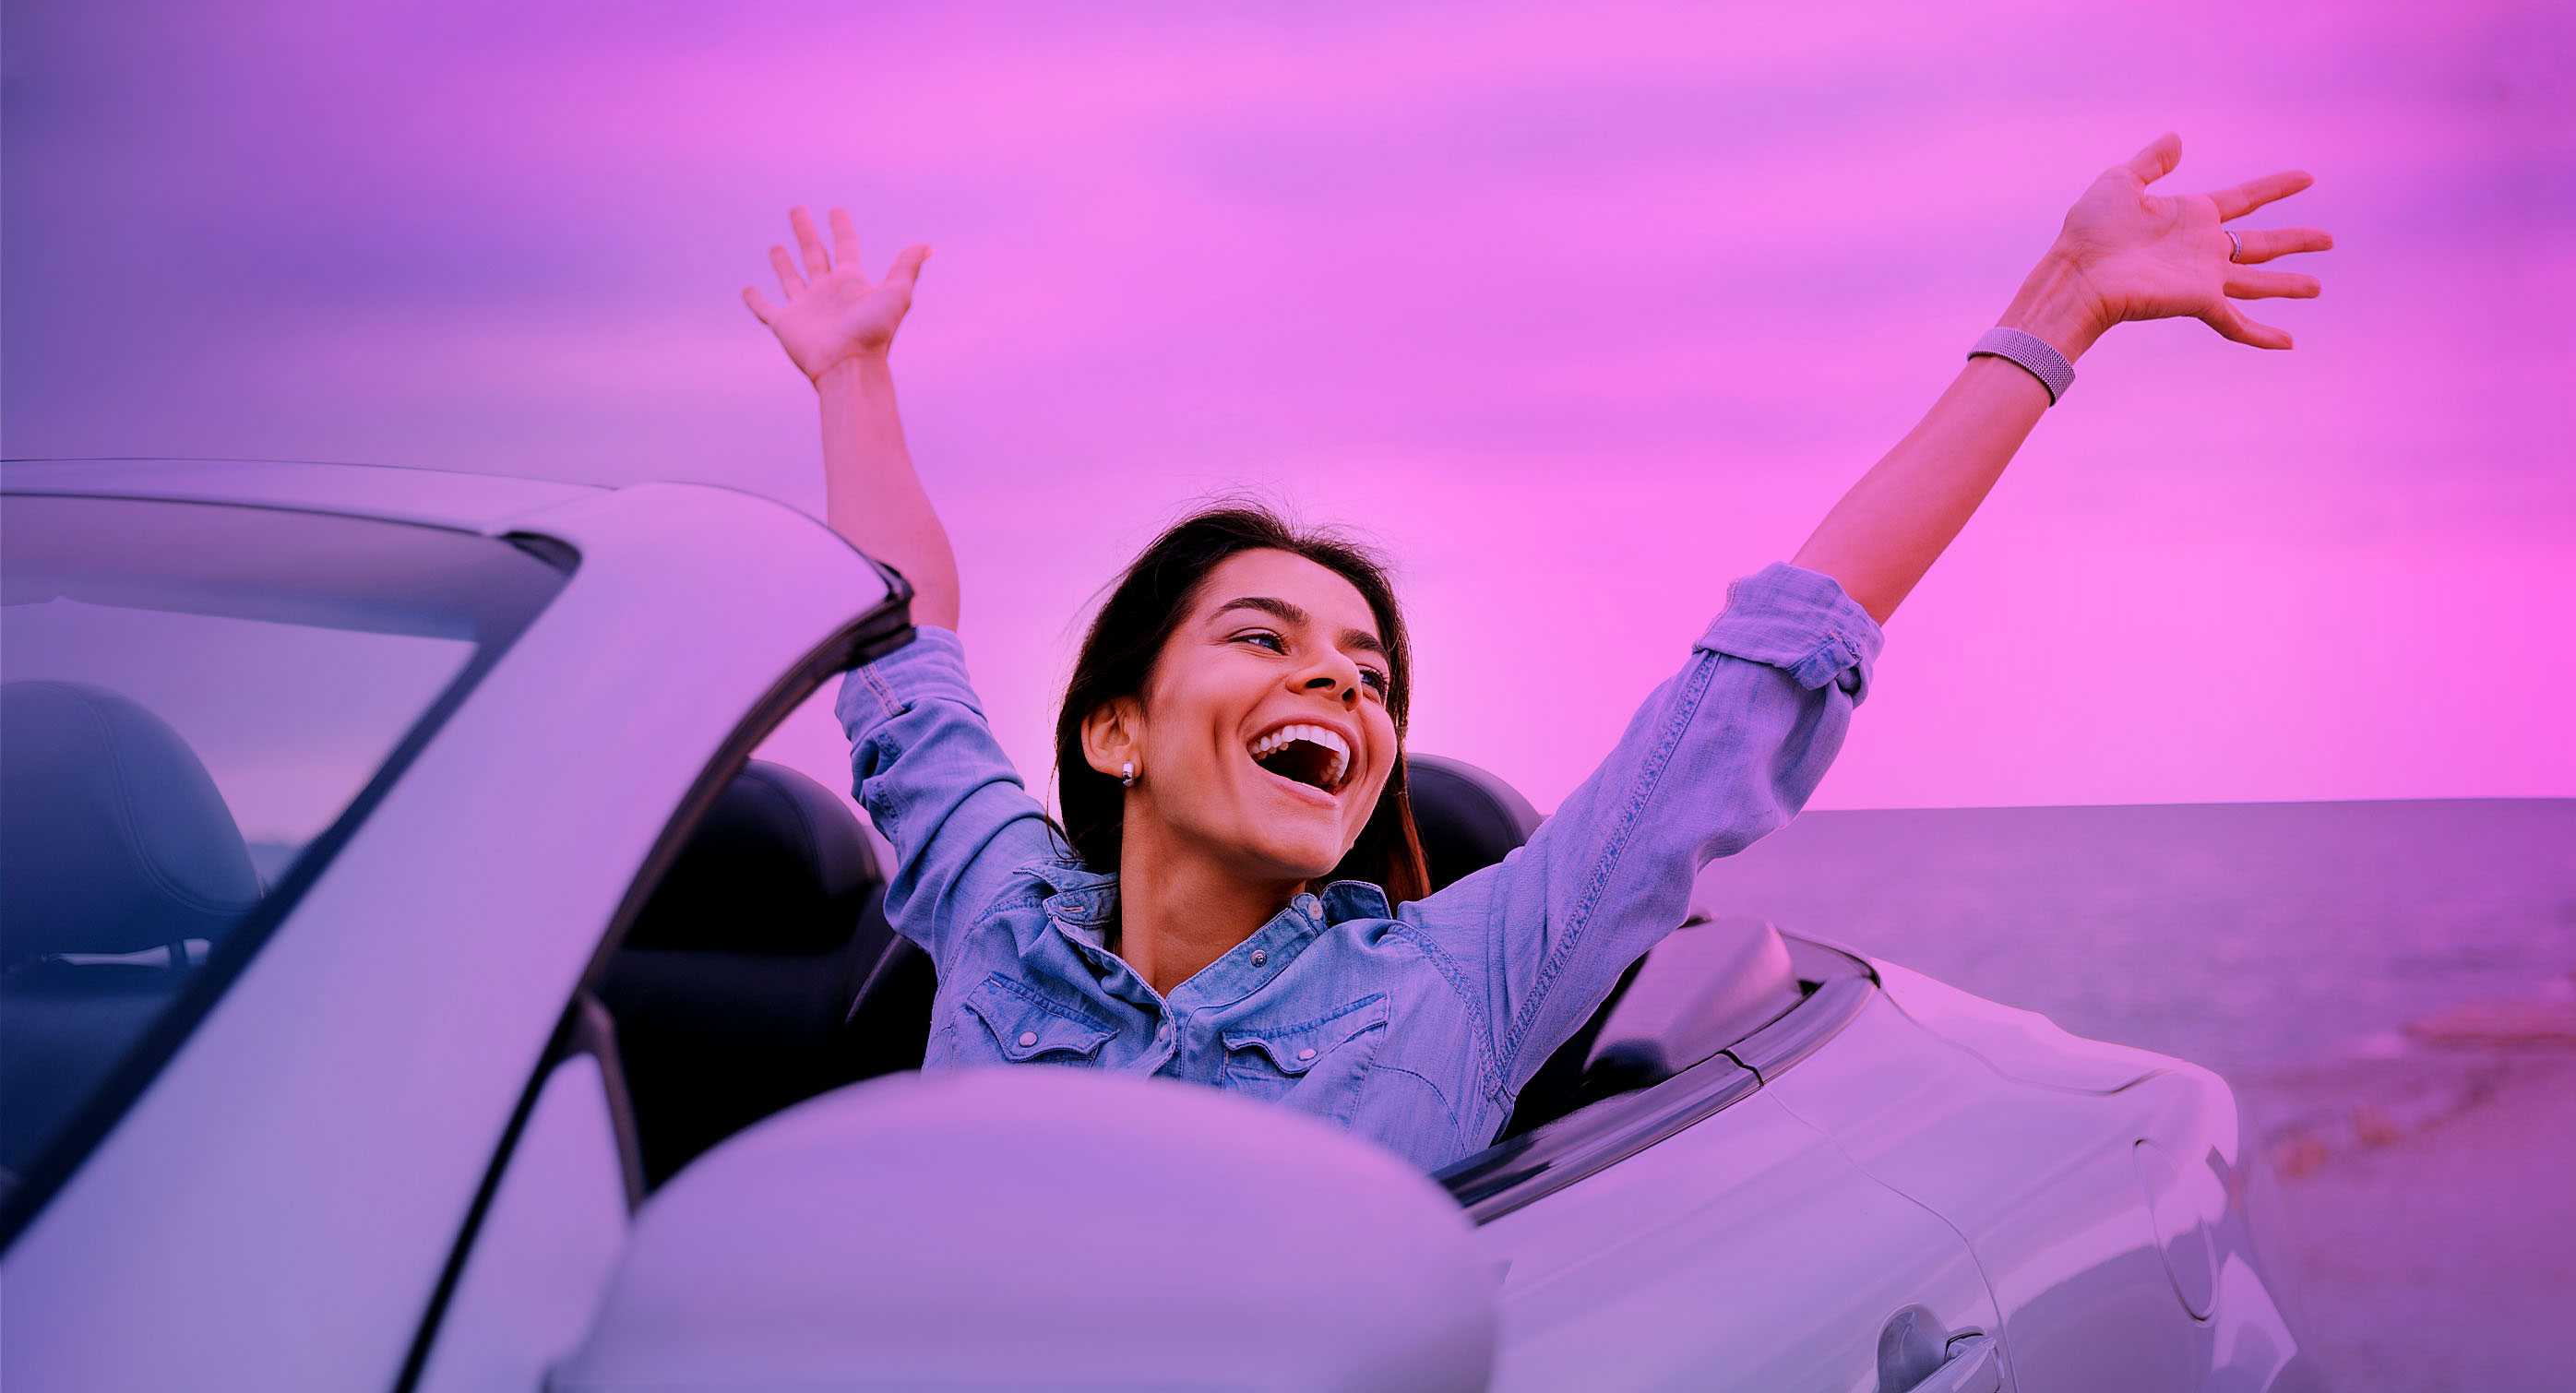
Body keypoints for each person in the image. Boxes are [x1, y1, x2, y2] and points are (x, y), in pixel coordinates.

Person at [740, 135, 2329, 1174]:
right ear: (1115, 732)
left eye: (1369, 675)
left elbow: (1756, 676)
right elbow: (901, 655)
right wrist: (853, 377)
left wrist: (2058, 312)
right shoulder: (999, 921)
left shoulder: (1461, 983)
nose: (1341, 689)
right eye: (1264, 637)